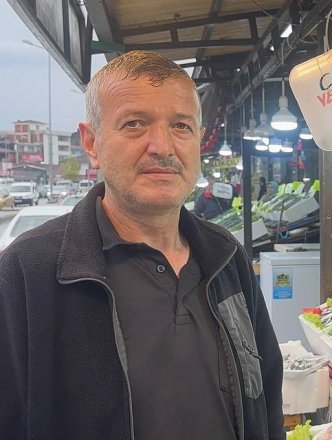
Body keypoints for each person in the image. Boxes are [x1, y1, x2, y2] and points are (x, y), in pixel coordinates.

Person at [0, 51, 284, 439]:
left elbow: (266, 399)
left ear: (198, 140)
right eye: (135, 124)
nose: (162, 147)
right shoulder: (27, 272)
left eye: (181, 126)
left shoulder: (227, 257)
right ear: (91, 142)